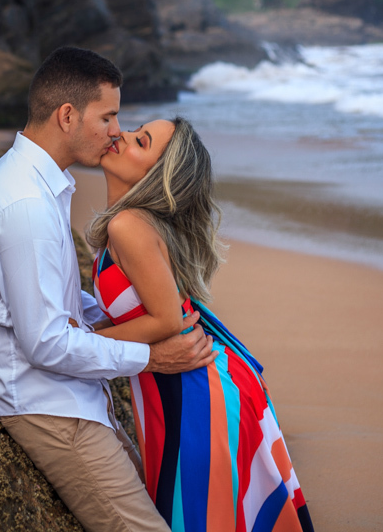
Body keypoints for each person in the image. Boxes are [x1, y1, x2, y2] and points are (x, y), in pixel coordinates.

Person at [0, 46, 216, 532]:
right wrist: (152, 357)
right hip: (46, 403)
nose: (117, 131)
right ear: (68, 116)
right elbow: (45, 343)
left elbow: (55, 302)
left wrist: (99, 317)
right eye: (108, 117)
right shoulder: (26, 204)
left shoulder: (40, 183)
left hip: (72, 394)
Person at [88, 116, 314, 532]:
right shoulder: (134, 223)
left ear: (158, 177)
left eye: (141, 141)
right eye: (135, 131)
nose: (122, 134)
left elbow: (165, 319)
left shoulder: (127, 226)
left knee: (198, 518)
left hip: (195, 391)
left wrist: (87, 338)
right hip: (186, 381)